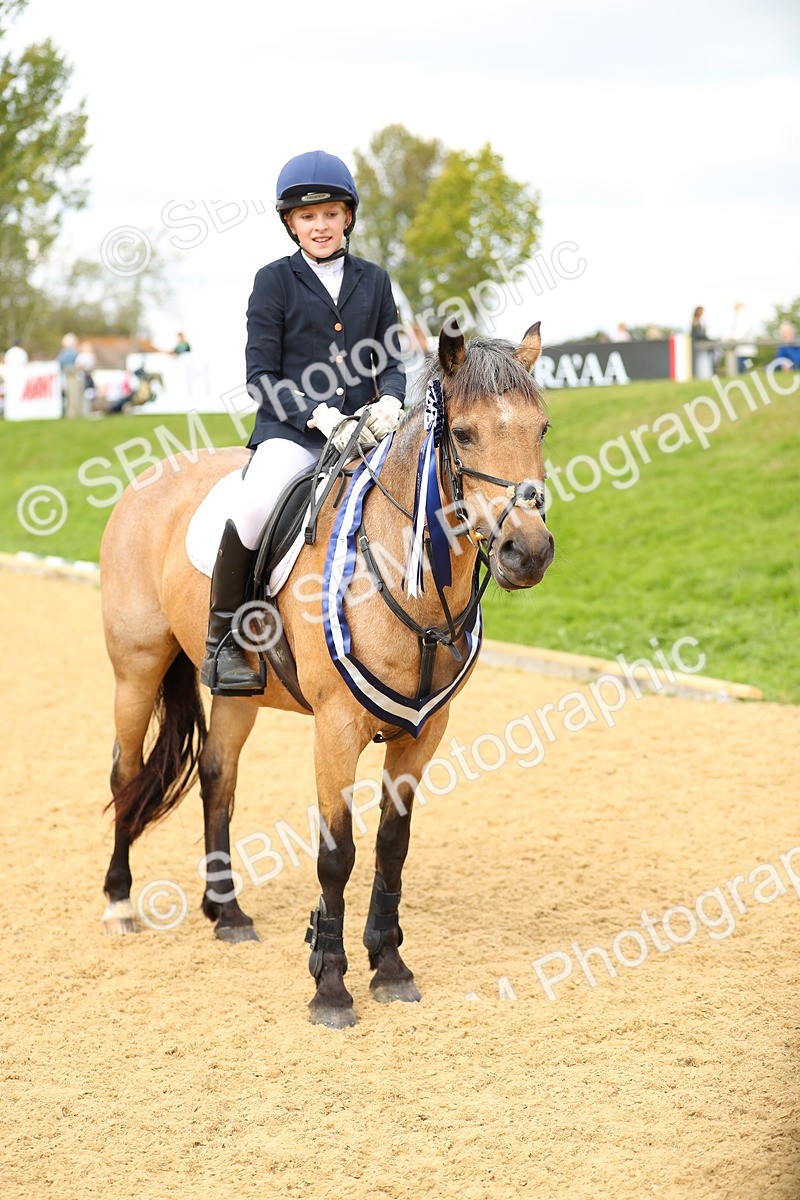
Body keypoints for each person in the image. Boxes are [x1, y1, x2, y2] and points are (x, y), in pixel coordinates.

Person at [200, 150, 406, 695]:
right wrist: (316, 414)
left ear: (348, 218)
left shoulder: (375, 280)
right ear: (291, 223)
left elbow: (390, 357)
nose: (320, 225)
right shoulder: (274, 281)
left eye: (330, 214)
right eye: (307, 217)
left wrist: (391, 401)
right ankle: (224, 640)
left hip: (364, 434)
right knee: (251, 505)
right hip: (294, 434)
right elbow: (260, 375)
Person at [729, 301, 756, 374]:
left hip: (744, 346)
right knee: (746, 363)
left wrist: (734, 337)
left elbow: (743, 329)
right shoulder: (738, 315)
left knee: (744, 365)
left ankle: (749, 374)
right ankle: (749, 374)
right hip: (741, 347)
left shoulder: (744, 315)